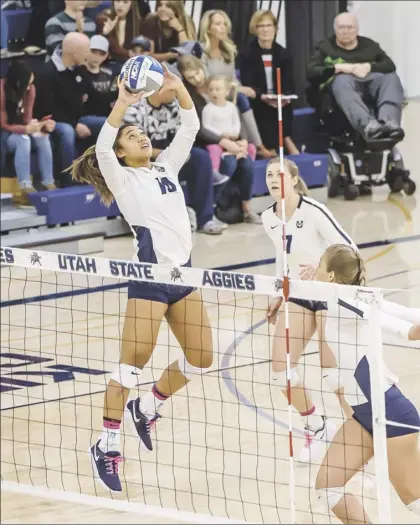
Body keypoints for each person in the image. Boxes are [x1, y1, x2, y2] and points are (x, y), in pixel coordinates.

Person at [67, 66, 215, 493]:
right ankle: (107, 445)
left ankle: (148, 406)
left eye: (142, 133)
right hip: (149, 281)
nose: (142, 137)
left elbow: (190, 125)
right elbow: (102, 145)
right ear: (121, 151)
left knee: (202, 359)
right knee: (132, 365)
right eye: (132, 136)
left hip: (183, 277)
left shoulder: (166, 167)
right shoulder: (123, 177)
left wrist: (178, 88)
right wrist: (122, 105)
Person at [313, 244, 420, 523]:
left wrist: (412, 329)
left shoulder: (351, 303)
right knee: (328, 487)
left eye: (319, 264)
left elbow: (405, 327)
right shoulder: (345, 296)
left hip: (390, 413)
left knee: (415, 502)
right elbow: (402, 309)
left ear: (332, 276)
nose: (315, 268)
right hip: (364, 415)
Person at [262, 156, 357, 462]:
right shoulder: (269, 217)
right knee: (281, 372)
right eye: (268, 176)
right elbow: (283, 255)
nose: (274, 180)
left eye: (279, 175)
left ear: (293, 178)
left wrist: (319, 265)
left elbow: (348, 249)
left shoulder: (314, 211)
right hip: (298, 295)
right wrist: (279, 289)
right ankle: (316, 426)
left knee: (333, 374)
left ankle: (362, 436)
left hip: (328, 291)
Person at [123, 79, 225, 233]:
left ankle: (206, 219)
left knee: (200, 158)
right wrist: (169, 155)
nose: (176, 94)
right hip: (143, 163)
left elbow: (183, 137)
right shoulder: (134, 110)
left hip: (168, 158)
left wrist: (180, 154)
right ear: (158, 90)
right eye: (172, 90)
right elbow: (135, 149)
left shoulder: (173, 106)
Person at [178, 54, 262, 225]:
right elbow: (200, 128)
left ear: (202, 68)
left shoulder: (218, 84)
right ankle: (213, 206)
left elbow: (235, 114)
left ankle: (247, 208)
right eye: (190, 77)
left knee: (246, 164)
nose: (196, 79)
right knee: (229, 164)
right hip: (209, 143)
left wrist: (243, 140)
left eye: (197, 73)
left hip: (233, 139)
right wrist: (223, 141)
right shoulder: (189, 97)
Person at [307, 12, 405, 141]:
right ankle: (368, 126)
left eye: (350, 27)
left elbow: (389, 65)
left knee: (391, 78)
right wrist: (338, 68)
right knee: (341, 80)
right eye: (341, 27)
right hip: (341, 91)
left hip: (369, 82)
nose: (345, 31)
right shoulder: (324, 48)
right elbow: (311, 72)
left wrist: (368, 67)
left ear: (357, 29)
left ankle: (389, 123)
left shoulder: (369, 45)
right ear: (335, 29)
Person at [199, 9, 276, 159]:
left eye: (225, 24)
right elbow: (207, 81)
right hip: (211, 94)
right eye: (218, 24)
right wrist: (238, 89)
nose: (223, 27)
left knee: (249, 95)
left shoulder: (228, 49)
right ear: (208, 28)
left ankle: (248, 144)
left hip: (228, 92)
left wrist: (242, 88)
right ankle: (259, 146)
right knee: (241, 98)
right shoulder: (202, 52)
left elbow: (232, 77)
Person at [33, 32, 108, 179]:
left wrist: (120, 101)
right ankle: (69, 179)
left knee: (108, 124)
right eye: (87, 50)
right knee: (67, 131)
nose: (89, 54)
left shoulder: (79, 69)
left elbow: (94, 97)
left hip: (76, 119)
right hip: (50, 121)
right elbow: (47, 110)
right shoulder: (47, 73)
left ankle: (102, 173)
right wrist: (74, 125)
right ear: (75, 52)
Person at [239, 10, 299, 156]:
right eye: (261, 26)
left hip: (278, 97)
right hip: (258, 98)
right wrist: (262, 96)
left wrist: (284, 96)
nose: (265, 29)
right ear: (255, 29)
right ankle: (273, 147)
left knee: (283, 106)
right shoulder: (247, 54)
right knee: (265, 108)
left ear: (275, 28)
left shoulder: (284, 54)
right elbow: (248, 82)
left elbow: (289, 82)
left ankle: (285, 139)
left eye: (269, 25)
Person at [0, 60, 56, 206]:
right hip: (5, 135)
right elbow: (3, 125)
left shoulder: (30, 89)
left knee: (43, 137)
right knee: (23, 139)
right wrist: (25, 129)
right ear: (18, 81)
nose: (30, 85)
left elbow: (27, 119)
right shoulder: (2, 90)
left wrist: (40, 125)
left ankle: (48, 183)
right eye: (27, 82)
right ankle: (25, 186)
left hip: (19, 129)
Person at [202, 75, 256, 182]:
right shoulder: (207, 109)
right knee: (214, 149)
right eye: (211, 90)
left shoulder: (232, 107)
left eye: (217, 89)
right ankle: (215, 172)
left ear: (226, 91)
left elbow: (236, 123)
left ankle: (245, 159)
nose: (214, 92)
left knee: (251, 147)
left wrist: (235, 133)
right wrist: (221, 134)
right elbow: (206, 126)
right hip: (217, 141)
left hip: (232, 138)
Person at [83, 35, 118, 118]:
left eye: (101, 54)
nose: (97, 57)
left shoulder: (110, 74)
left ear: (106, 56)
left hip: (107, 116)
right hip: (86, 116)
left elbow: (113, 97)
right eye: (93, 52)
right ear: (86, 51)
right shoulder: (79, 73)